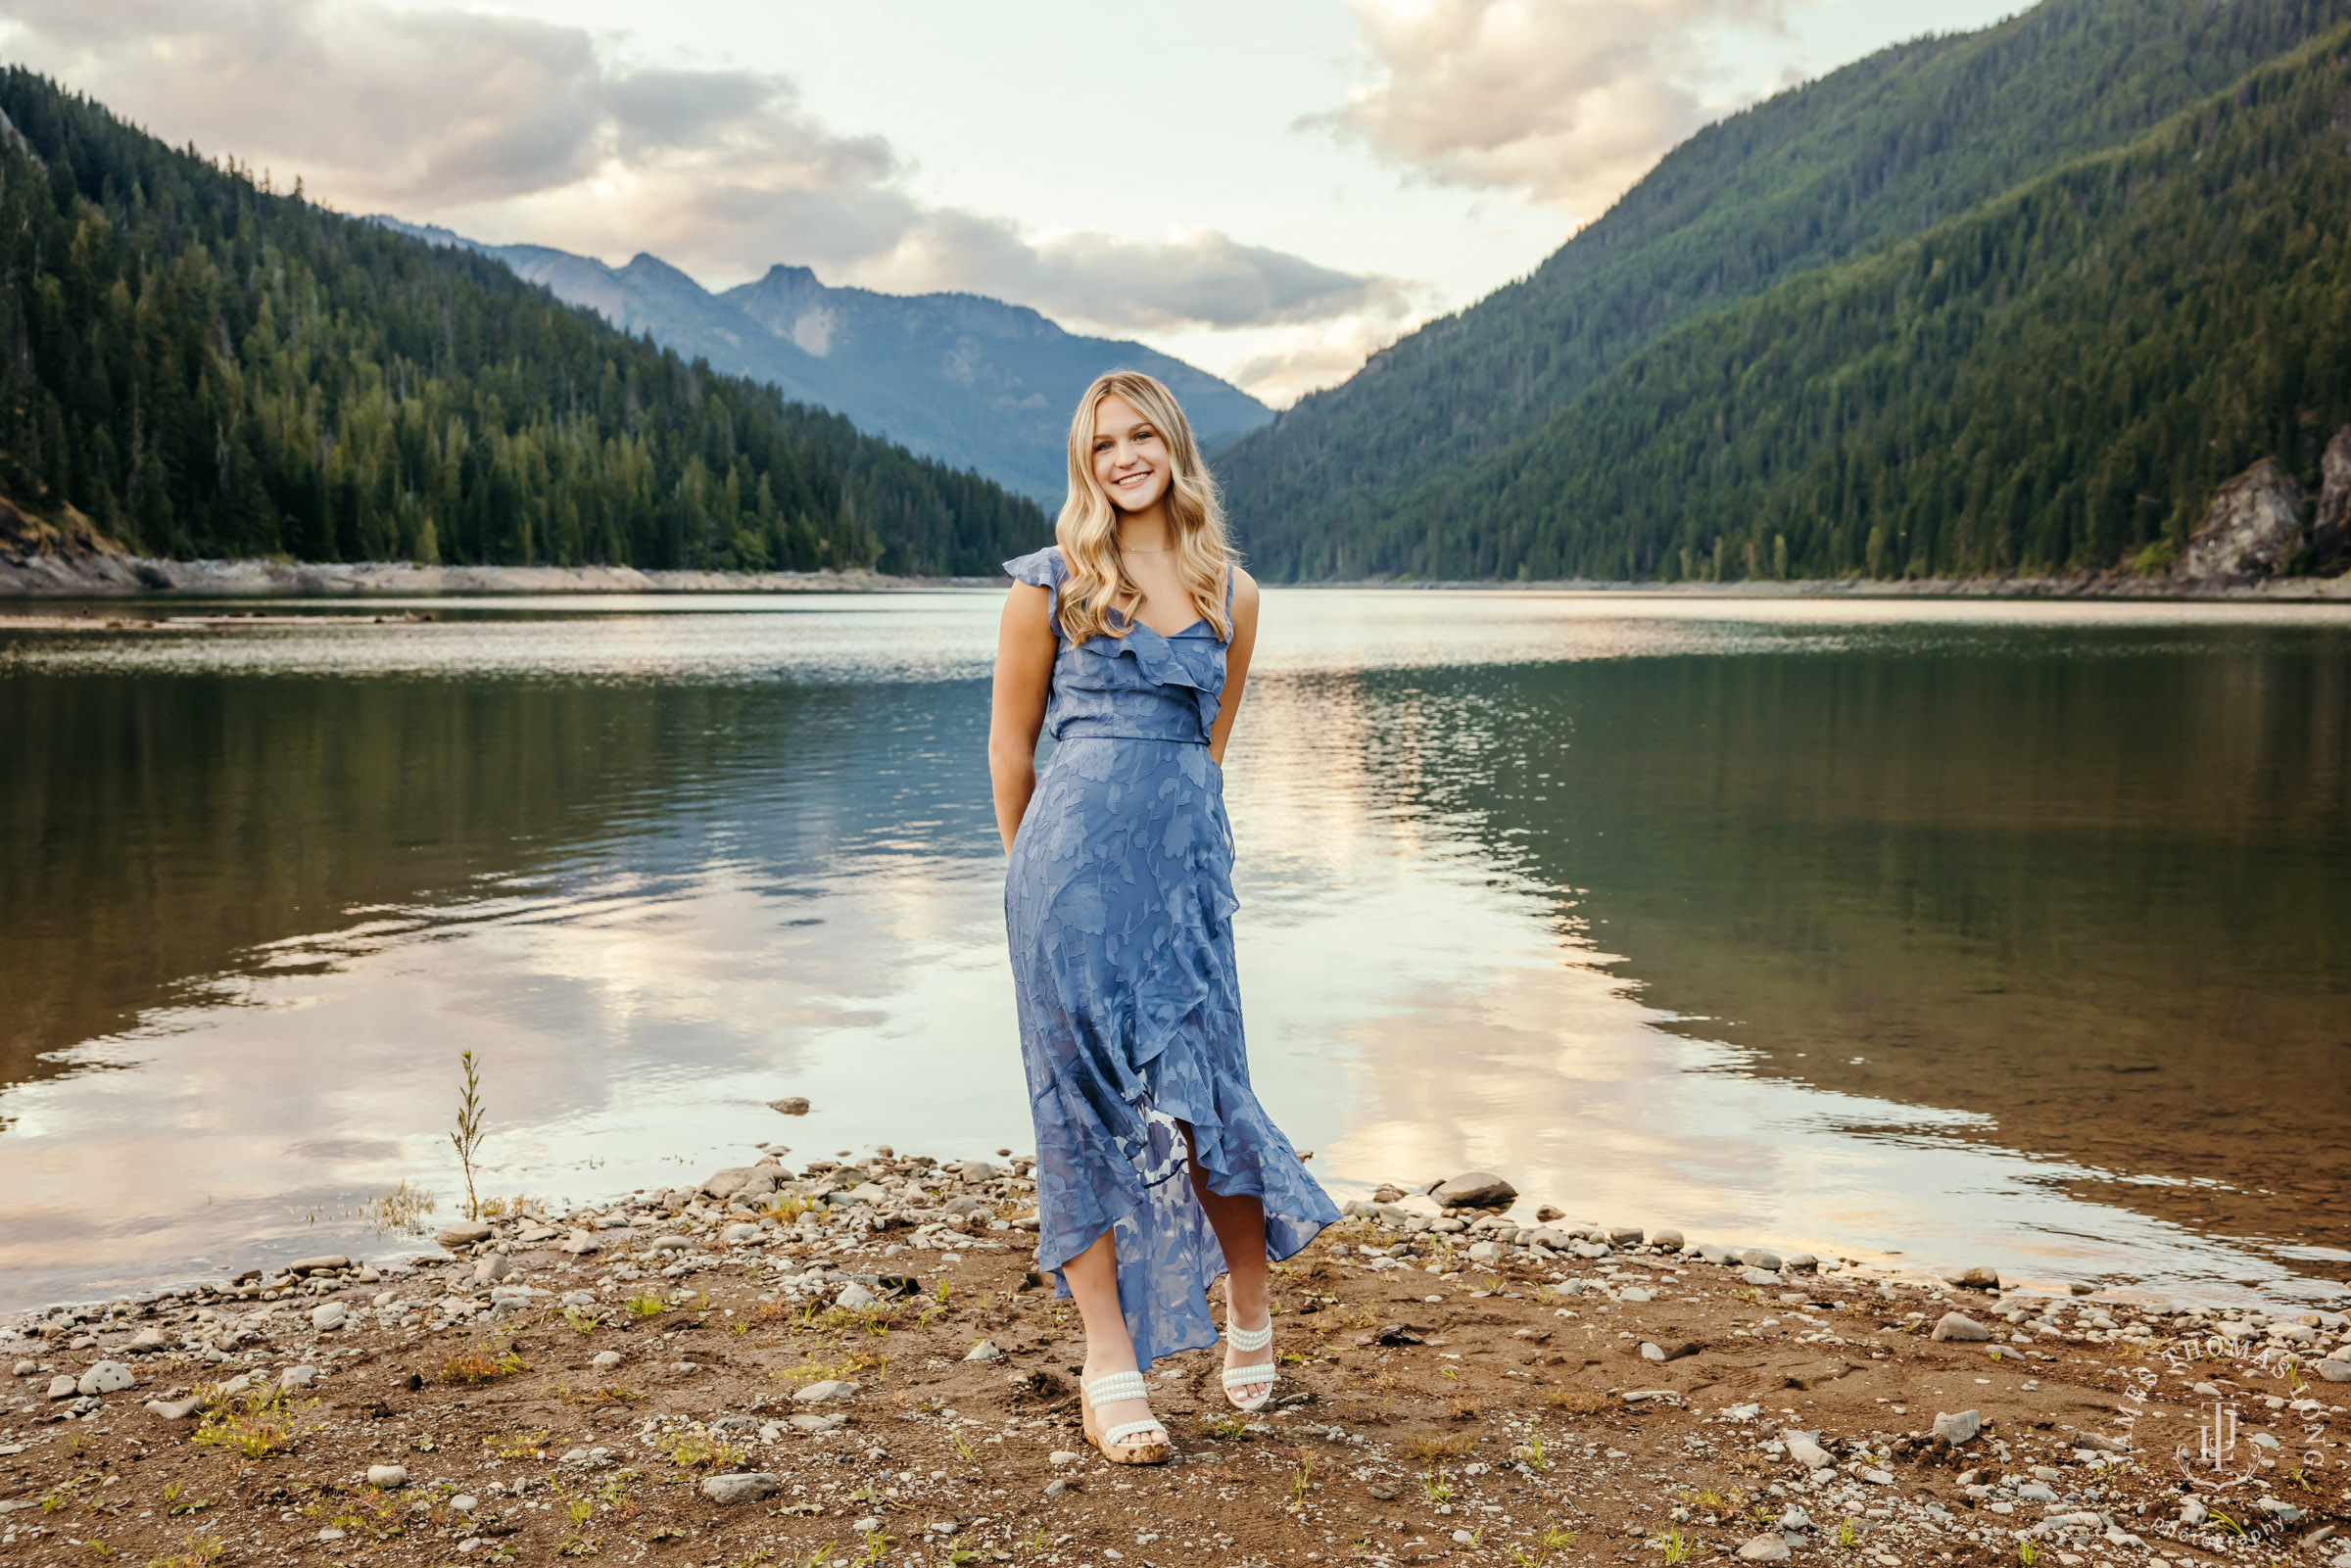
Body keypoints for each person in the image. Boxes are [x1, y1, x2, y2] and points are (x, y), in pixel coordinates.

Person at [989, 370, 1338, 1464]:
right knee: (1082, 1110)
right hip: (1061, 889)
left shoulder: (1233, 592)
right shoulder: (1047, 586)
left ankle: (1249, 1303)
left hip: (1183, 885)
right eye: (1104, 443)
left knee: (1208, 1098)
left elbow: (1210, 746)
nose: (1125, 455)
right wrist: (1031, 884)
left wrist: (1177, 856)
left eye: (1143, 435)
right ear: (1084, 464)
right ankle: (1109, 1360)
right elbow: (1010, 751)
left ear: (1175, 448)